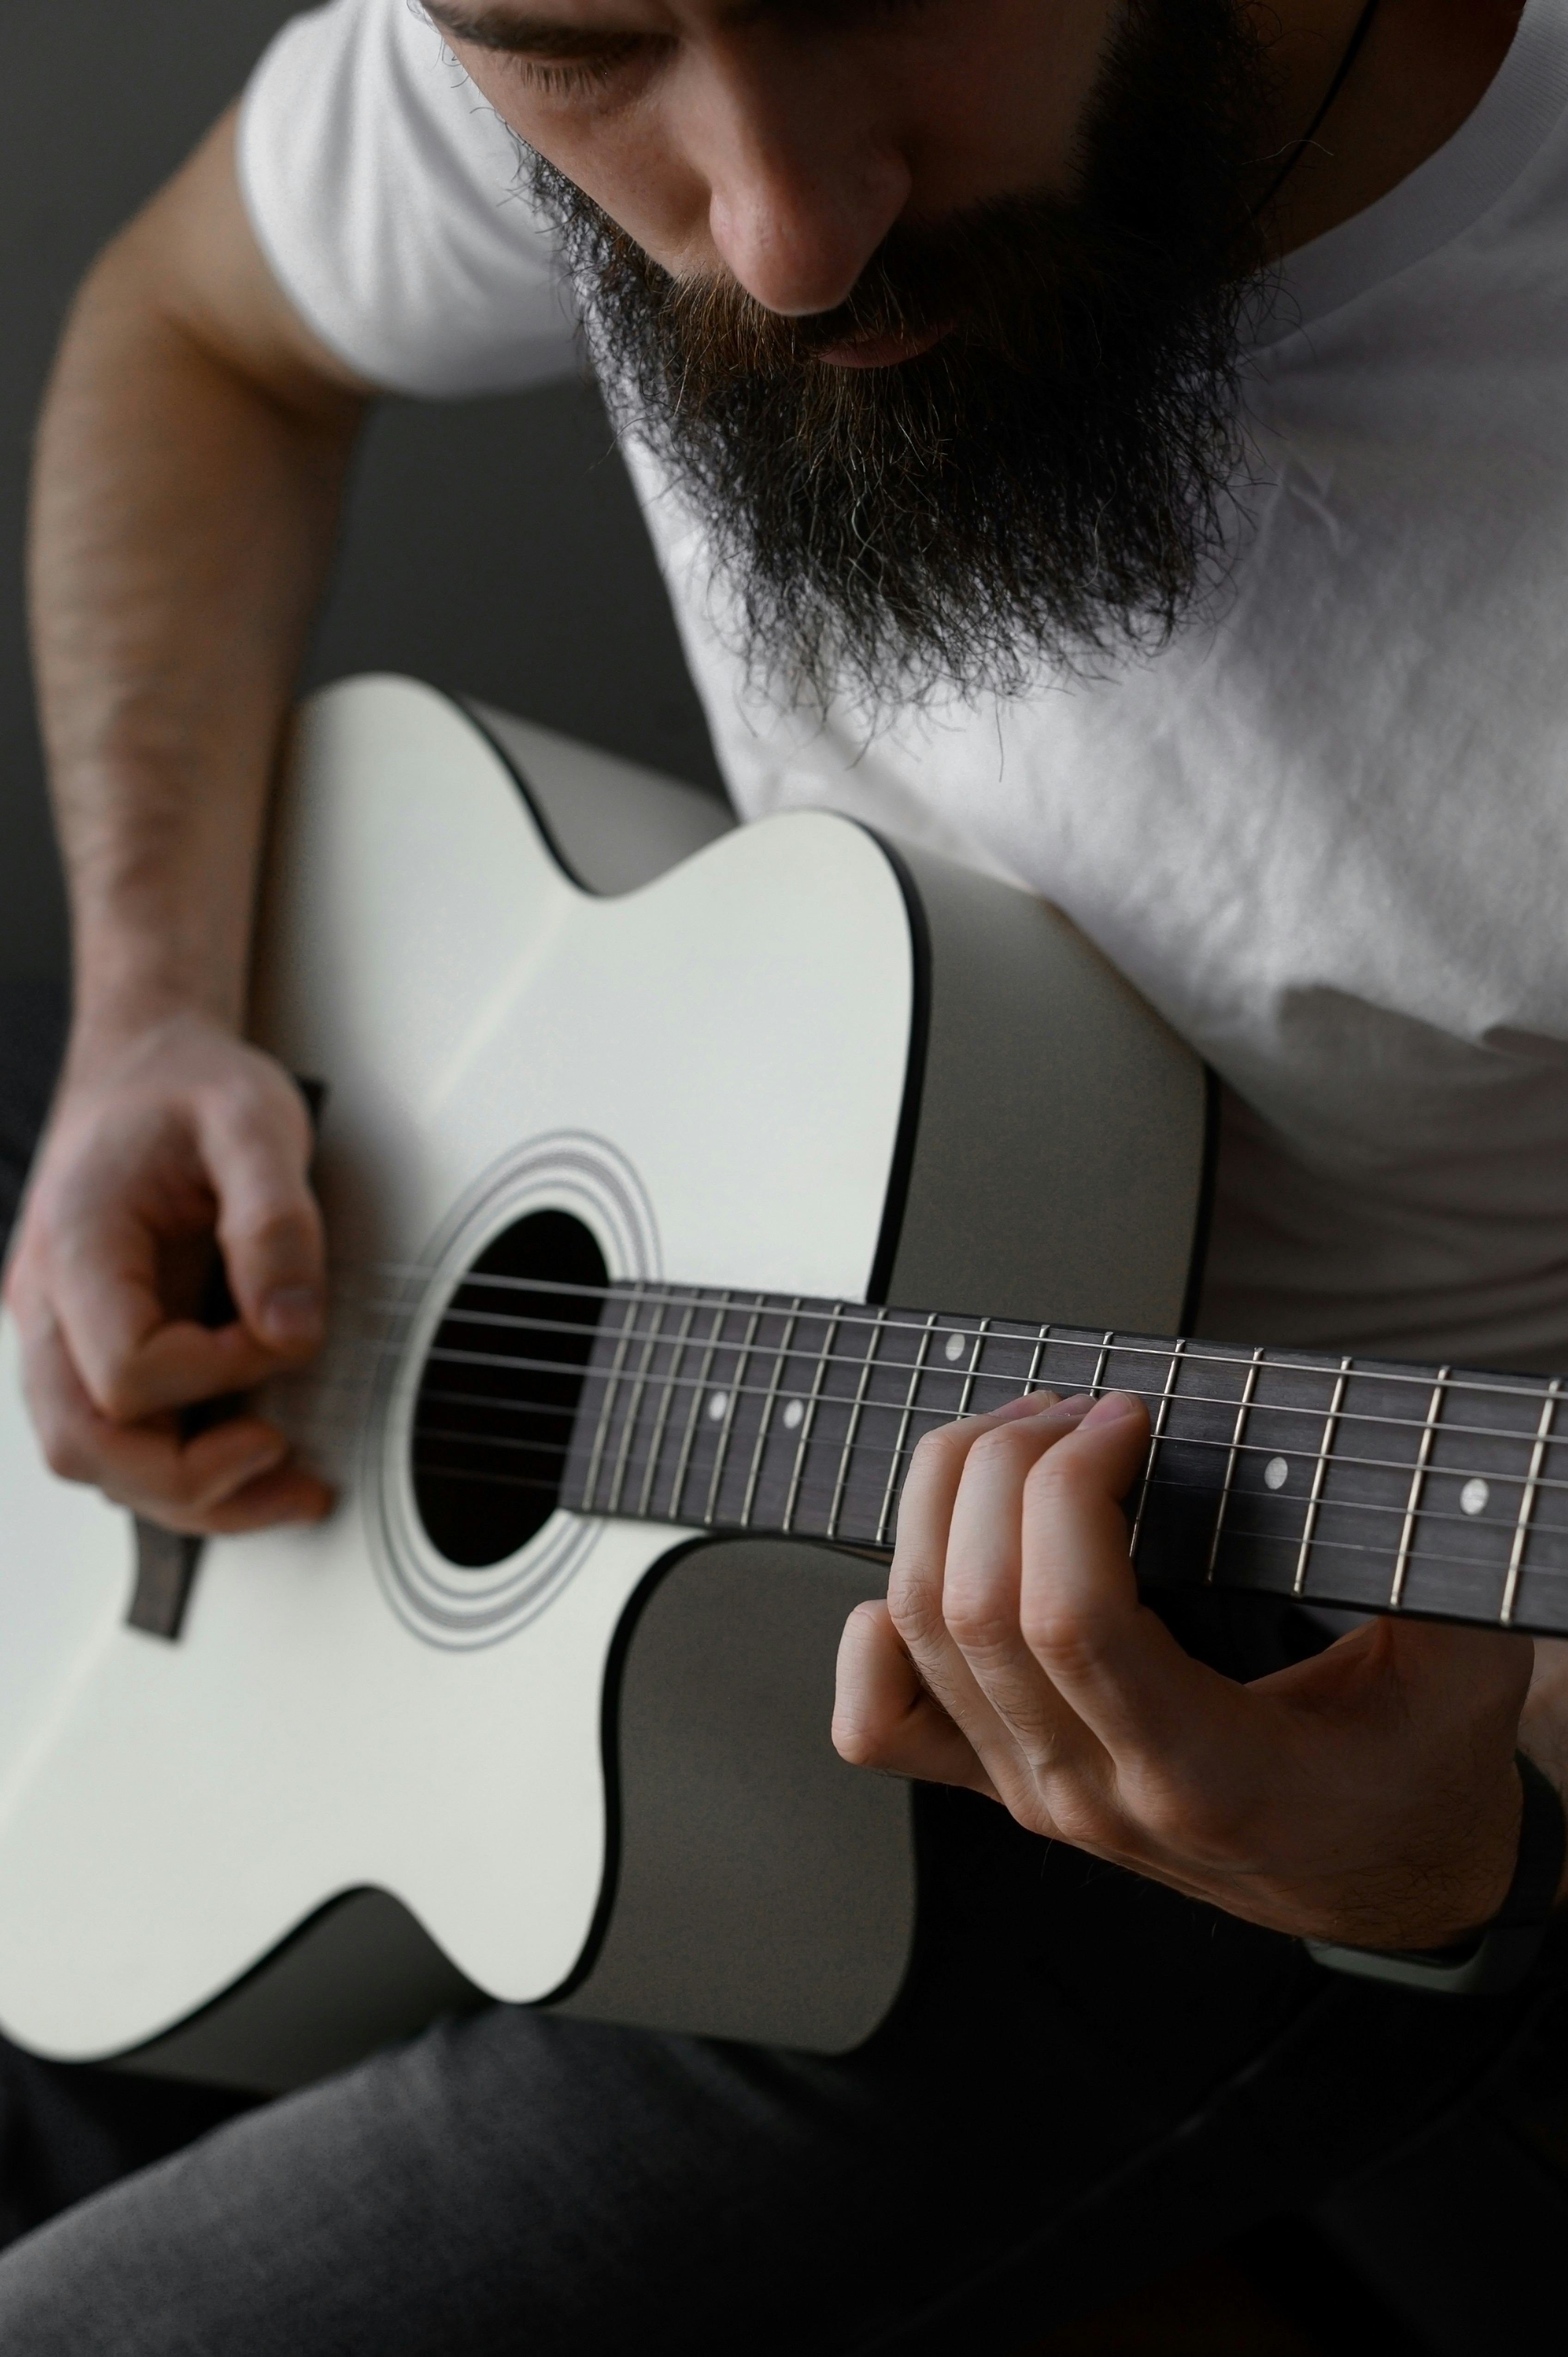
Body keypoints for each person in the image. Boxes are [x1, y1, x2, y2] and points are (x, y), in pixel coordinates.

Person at [1, 0, 1566, 2345]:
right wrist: (149, 1006)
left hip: (1248, 1766)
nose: (787, 231)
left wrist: (1449, 1855)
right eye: (577, 51)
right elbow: (195, 330)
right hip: (561, 1403)